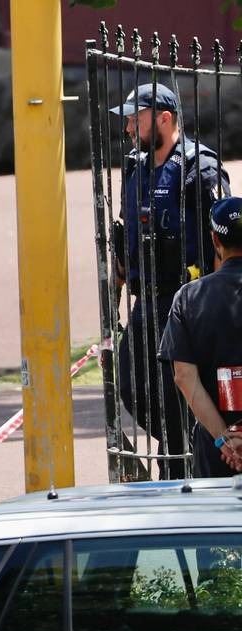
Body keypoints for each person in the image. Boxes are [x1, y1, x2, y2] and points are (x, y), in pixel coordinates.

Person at [109, 82, 230, 479]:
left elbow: (223, 242)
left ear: (164, 118)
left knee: (177, 388)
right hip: (146, 300)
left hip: (187, 302)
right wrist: (116, 287)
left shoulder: (200, 168)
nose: (129, 128)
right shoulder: (135, 168)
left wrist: (217, 303)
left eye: (136, 119)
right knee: (131, 386)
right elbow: (127, 235)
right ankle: (186, 446)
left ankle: (181, 462)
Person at [159, 197, 242, 477]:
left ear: (215, 239)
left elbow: (184, 377)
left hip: (215, 451)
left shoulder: (189, 297)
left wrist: (225, 440)